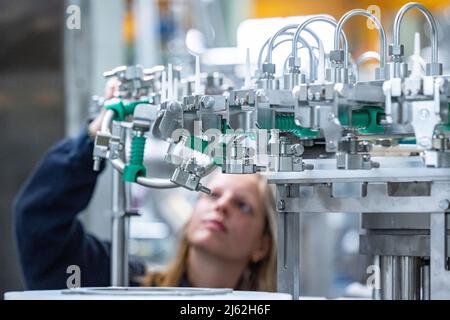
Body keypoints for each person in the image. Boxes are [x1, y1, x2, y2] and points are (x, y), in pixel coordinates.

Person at [13, 81, 277, 292]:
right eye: (213, 194)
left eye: (242, 205)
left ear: (262, 246)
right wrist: (95, 135)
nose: (221, 206)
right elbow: (39, 221)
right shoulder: (123, 284)